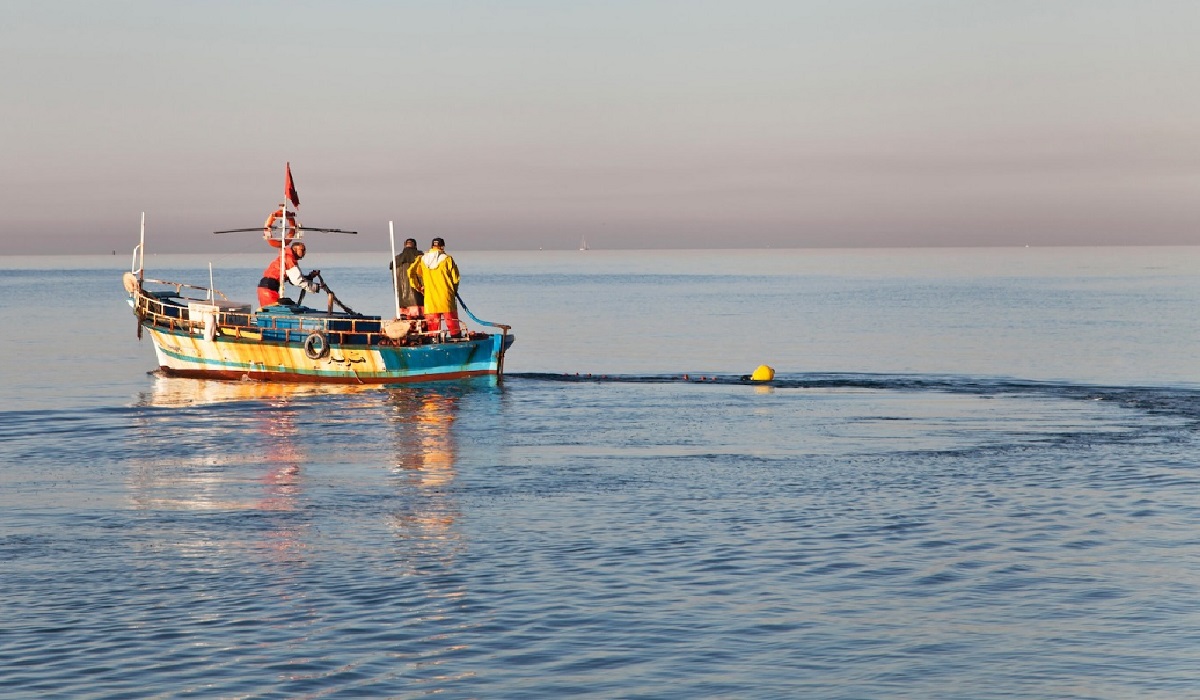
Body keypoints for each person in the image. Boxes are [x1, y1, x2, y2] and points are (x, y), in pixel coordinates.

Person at [407, 237, 461, 336]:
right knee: (452, 324)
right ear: (442, 246)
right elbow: (456, 278)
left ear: (432, 246)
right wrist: (454, 291)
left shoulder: (422, 259)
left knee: (432, 328)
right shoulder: (447, 259)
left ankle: (433, 341)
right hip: (446, 297)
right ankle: (456, 339)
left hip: (430, 299)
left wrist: (418, 287)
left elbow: (410, 272)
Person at [257, 240, 319, 308]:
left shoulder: (286, 257)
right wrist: (314, 287)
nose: (304, 252)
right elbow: (296, 281)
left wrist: (310, 276)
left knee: (275, 309)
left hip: (266, 288)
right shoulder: (289, 259)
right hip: (268, 290)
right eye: (302, 250)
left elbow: (292, 279)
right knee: (273, 311)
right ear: (295, 249)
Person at [388, 238, 424, 317]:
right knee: (420, 321)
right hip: (418, 299)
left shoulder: (396, 260)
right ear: (415, 246)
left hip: (401, 300)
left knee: (404, 320)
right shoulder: (421, 258)